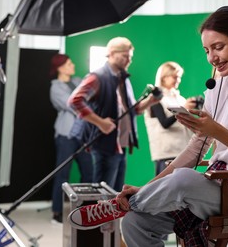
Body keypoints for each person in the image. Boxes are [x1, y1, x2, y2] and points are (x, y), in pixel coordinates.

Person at [68, 5, 228, 247]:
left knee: (184, 180)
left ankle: (120, 205)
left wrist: (216, 131)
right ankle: (130, 204)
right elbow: (195, 149)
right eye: (207, 50)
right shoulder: (220, 86)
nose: (212, 57)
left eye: (219, 47)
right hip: (217, 191)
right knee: (134, 222)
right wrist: (145, 188)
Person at [68, 37, 159, 192]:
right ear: (111, 53)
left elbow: (131, 111)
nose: (128, 60)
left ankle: (112, 218)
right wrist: (100, 122)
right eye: (125, 56)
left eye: (130, 57)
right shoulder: (97, 77)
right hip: (104, 145)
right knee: (102, 195)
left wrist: (150, 101)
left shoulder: (123, 79)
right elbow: (74, 101)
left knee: (114, 195)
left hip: (120, 146)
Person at [49, 53, 93, 224]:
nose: (72, 65)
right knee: (62, 174)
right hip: (65, 135)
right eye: (69, 63)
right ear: (60, 67)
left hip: (83, 135)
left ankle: (84, 211)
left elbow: (90, 98)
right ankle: (57, 212)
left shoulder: (77, 80)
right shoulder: (56, 87)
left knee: (89, 172)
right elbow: (73, 105)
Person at [144, 61, 196, 176]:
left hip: (183, 150)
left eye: (179, 77)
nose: (178, 80)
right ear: (164, 77)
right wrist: (183, 108)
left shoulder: (180, 98)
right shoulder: (155, 99)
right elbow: (164, 123)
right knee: (165, 189)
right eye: (175, 77)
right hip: (166, 152)